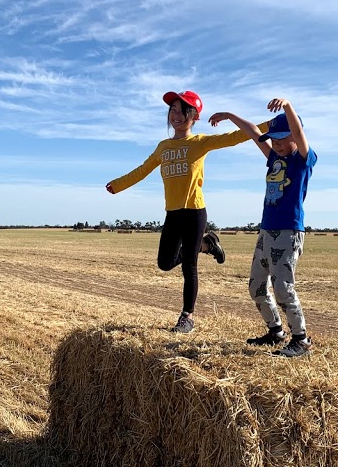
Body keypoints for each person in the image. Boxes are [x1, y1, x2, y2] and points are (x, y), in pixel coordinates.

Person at [106, 90, 263, 333]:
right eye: (172, 110)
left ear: (194, 117)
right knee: (165, 263)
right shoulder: (163, 147)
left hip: (194, 211)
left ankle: (187, 317)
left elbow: (237, 137)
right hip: (173, 213)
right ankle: (207, 245)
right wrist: (118, 185)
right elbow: (142, 170)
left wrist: (274, 124)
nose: (175, 115)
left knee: (189, 265)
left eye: (182, 110)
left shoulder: (200, 142)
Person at [209, 98, 318, 357]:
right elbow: (253, 132)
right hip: (266, 231)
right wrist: (229, 114)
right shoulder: (273, 159)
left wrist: (289, 106)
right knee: (256, 286)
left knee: (282, 287)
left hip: (288, 231)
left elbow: (299, 132)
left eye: (282, 138)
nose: (277, 143)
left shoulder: (303, 160)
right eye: (275, 139)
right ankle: (275, 332)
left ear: (294, 135)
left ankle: (301, 340)